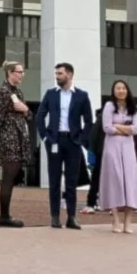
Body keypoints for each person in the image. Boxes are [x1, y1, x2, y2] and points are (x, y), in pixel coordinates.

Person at [36, 62, 93, 229]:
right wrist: (45, 137)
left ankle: (71, 217)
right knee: (54, 180)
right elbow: (40, 116)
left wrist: (82, 138)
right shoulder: (51, 94)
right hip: (54, 140)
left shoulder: (81, 96)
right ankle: (54, 216)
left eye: (60, 74)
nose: (57, 77)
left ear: (69, 75)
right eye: (56, 74)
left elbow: (89, 121)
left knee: (71, 180)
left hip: (73, 142)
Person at [0, 61, 31, 228]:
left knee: (11, 177)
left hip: (18, 140)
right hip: (9, 140)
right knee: (8, 176)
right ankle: (4, 215)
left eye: (22, 72)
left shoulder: (17, 91)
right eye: (19, 72)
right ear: (10, 73)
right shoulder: (4, 92)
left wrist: (24, 109)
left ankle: (5, 214)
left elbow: (28, 115)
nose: (22, 75)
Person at [100, 80, 137, 233]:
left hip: (128, 149)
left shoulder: (135, 109)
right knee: (115, 180)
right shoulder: (109, 106)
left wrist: (117, 125)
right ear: (113, 91)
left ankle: (128, 221)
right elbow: (107, 127)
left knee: (129, 182)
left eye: (123, 88)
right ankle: (115, 220)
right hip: (112, 147)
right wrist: (126, 128)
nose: (121, 91)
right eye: (117, 88)